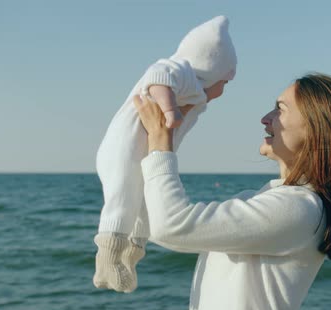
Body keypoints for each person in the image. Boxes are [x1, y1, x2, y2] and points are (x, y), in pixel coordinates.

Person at [134, 73, 331, 310]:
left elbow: (170, 225)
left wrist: (161, 143)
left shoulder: (301, 208)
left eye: (280, 109)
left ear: (315, 127)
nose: (265, 119)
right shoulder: (267, 198)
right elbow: (157, 218)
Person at [93, 15, 237, 293]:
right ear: (211, 68)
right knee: (122, 200)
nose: (224, 89)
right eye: (226, 81)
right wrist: (170, 111)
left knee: (146, 204)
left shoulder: (195, 93)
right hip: (122, 148)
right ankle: (107, 261)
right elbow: (157, 77)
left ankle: (131, 256)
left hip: (145, 154)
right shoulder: (179, 70)